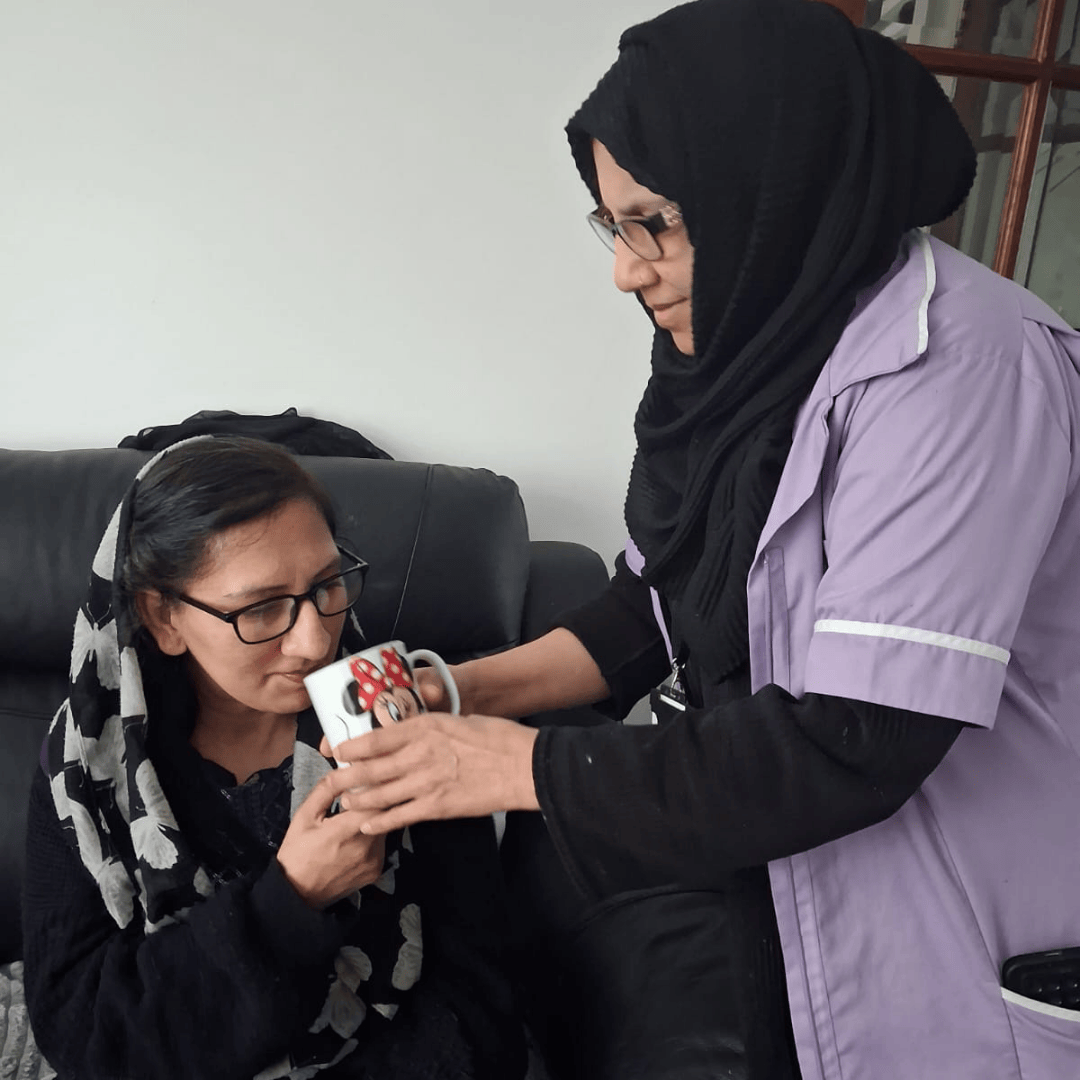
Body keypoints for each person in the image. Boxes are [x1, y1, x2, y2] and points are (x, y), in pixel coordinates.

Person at [319, 1, 1080, 1077]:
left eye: (656, 223)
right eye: (612, 225)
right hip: (793, 879)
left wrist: (519, 766)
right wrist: (462, 694)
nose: (626, 270)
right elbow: (653, 607)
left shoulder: (965, 372)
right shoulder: (753, 352)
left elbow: (854, 741)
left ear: (773, 184)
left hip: (959, 919)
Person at [22, 436, 525, 1080]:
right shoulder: (89, 768)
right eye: (261, 609)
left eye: (327, 584)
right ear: (164, 617)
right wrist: (291, 902)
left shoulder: (398, 723)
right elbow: (85, 1034)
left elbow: (479, 1007)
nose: (315, 641)